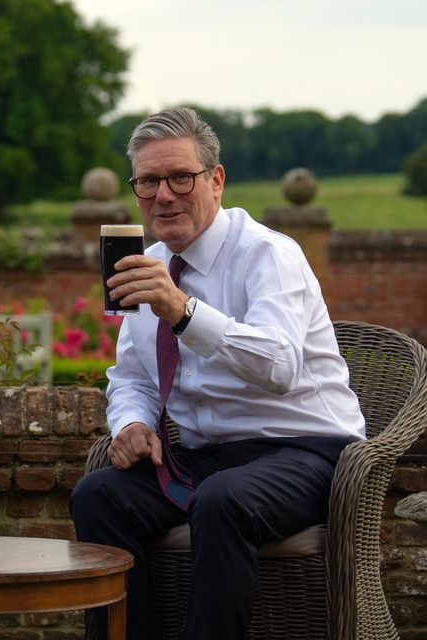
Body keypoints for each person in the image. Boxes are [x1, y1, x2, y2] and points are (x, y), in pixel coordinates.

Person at [69, 107, 364, 640]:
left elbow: (279, 366)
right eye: (149, 181)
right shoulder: (146, 262)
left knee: (224, 499)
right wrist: (131, 425)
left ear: (216, 180)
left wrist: (182, 311)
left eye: (181, 177)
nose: (164, 195)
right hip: (205, 459)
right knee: (98, 495)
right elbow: (132, 375)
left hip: (306, 450)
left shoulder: (268, 254)